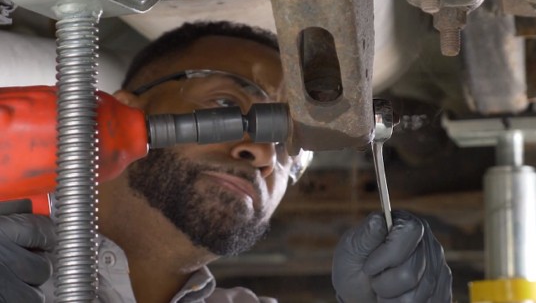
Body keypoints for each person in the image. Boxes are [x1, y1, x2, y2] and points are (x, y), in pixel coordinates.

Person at [0, 21, 453, 303]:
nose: (260, 152)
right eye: (225, 104)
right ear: (122, 108)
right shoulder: (10, 249)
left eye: (290, 145)